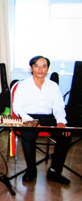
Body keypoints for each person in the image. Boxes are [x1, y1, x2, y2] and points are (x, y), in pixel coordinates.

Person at [13, 56, 72, 184]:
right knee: (28, 134)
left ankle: (54, 171)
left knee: (65, 136)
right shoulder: (22, 85)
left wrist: (62, 122)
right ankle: (31, 170)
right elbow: (17, 108)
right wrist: (32, 122)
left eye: (44, 66)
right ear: (31, 68)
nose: (40, 69)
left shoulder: (53, 86)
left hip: (48, 118)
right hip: (28, 117)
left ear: (47, 69)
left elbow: (59, 107)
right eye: (37, 66)